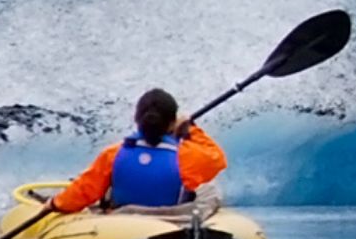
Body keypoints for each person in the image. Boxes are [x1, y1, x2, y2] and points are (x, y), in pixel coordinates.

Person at [49, 89, 229, 213]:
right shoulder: (186, 155)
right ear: (172, 123)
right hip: (171, 218)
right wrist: (189, 128)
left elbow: (84, 191)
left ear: (136, 119)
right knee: (209, 189)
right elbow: (217, 158)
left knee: (100, 184)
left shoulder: (114, 153)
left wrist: (54, 204)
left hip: (123, 218)